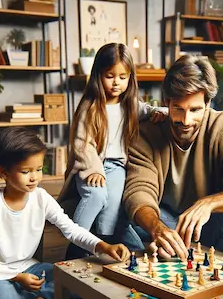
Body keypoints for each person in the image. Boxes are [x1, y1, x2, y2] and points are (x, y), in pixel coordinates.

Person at [0, 128, 130, 299]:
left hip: (29, 269)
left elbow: (71, 229)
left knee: (81, 286)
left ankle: (28, 296)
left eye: (38, 169)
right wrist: (17, 278)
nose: (34, 177)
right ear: (3, 172)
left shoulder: (41, 197)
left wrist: (103, 246)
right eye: (25, 171)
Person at [122, 54, 223, 260]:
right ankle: (169, 252)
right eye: (178, 109)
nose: (186, 120)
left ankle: (213, 275)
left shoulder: (222, 125)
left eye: (195, 110)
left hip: (207, 223)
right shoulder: (148, 132)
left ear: (208, 103)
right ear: (166, 101)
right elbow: (139, 192)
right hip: (165, 222)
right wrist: (157, 229)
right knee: (122, 219)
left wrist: (208, 204)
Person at [59, 43, 165, 258]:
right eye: (110, 76)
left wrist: (161, 112)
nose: (116, 82)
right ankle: (77, 243)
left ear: (129, 78)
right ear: (99, 75)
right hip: (92, 166)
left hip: (117, 166)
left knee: (115, 202)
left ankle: (102, 242)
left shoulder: (130, 105)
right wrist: (94, 170)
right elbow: (83, 144)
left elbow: (149, 110)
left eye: (122, 77)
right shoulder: (90, 107)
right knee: (97, 196)